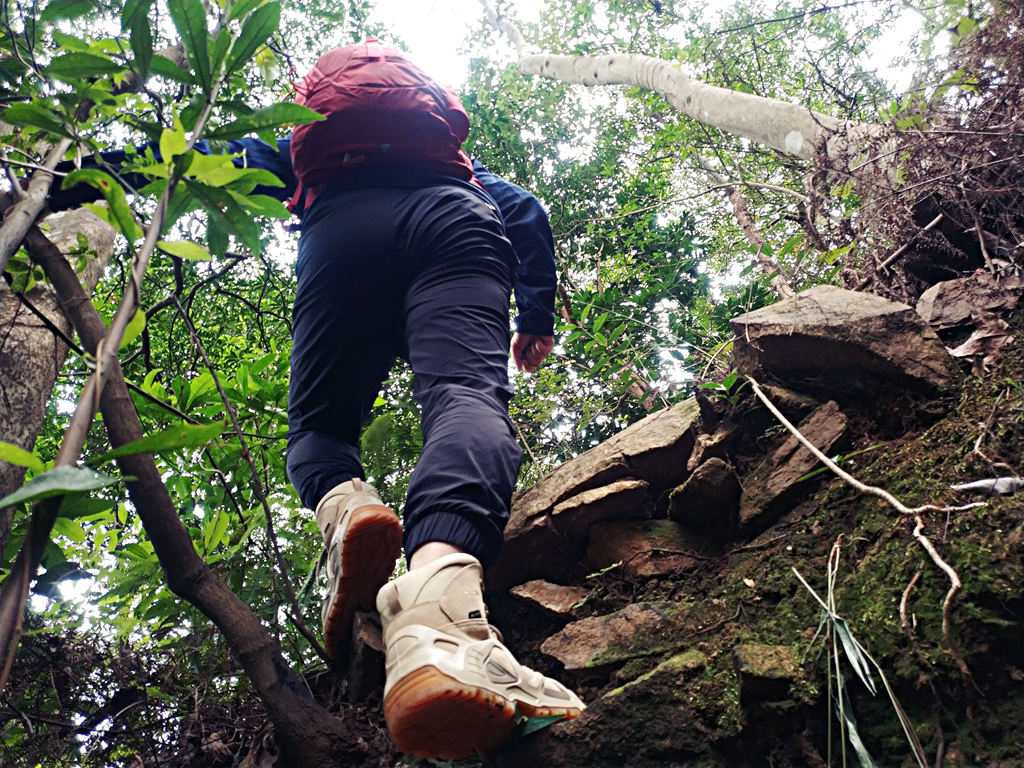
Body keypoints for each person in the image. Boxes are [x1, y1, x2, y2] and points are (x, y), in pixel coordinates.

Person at [50, 40, 584, 759]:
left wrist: (63, 187)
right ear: (423, 109)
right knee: (464, 396)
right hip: (455, 223)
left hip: (342, 230)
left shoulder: (299, 151)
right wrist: (537, 316)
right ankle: (437, 606)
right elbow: (526, 211)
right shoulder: (462, 170)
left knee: (320, 433)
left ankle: (347, 509)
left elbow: (186, 156)